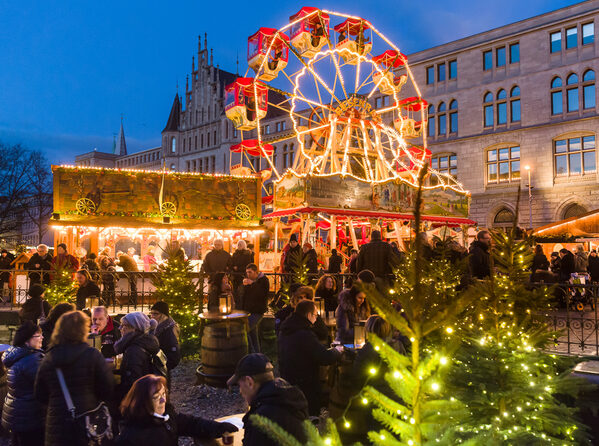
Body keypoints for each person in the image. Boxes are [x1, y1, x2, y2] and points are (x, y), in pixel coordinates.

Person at [34, 311, 114, 446]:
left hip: (58, 423)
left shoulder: (49, 358)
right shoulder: (92, 355)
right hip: (86, 421)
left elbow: (40, 394)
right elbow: (107, 388)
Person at [116, 374, 236, 445]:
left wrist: (218, 427)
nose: (163, 400)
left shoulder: (166, 417)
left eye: (164, 394)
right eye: (156, 397)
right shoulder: (131, 437)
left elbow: (191, 423)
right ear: (142, 402)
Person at [227, 353, 308, 446]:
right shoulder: (290, 399)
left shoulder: (261, 420)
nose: (240, 391)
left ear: (249, 382)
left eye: (240, 385)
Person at [279, 300, 342, 415]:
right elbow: (324, 357)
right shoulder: (304, 334)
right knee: (308, 413)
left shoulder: (286, 329)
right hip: (305, 382)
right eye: (315, 315)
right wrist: (337, 351)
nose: (316, 318)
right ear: (308, 315)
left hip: (288, 377)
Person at [2, 321, 45, 446]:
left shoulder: (16, 355)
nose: (42, 337)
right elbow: (46, 385)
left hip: (16, 415)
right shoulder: (31, 360)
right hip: (30, 418)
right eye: (38, 335)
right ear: (27, 341)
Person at [114, 312, 160, 402]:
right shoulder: (143, 343)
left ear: (134, 329)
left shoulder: (134, 350)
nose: (120, 328)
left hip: (137, 400)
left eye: (124, 325)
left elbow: (132, 382)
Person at [241, 264, 270, 353]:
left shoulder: (264, 280)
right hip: (248, 311)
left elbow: (261, 294)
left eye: (250, 272)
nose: (248, 274)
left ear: (256, 272)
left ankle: (252, 353)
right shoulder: (250, 281)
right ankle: (257, 354)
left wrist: (252, 284)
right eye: (247, 272)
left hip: (257, 311)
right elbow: (245, 296)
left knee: (245, 331)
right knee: (253, 334)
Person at [149, 301, 181, 374]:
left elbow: (174, 357)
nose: (152, 316)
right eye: (151, 313)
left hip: (160, 371)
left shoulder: (169, 330)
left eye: (155, 314)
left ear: (164, 315)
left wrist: (161, 368)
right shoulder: (157, 326)